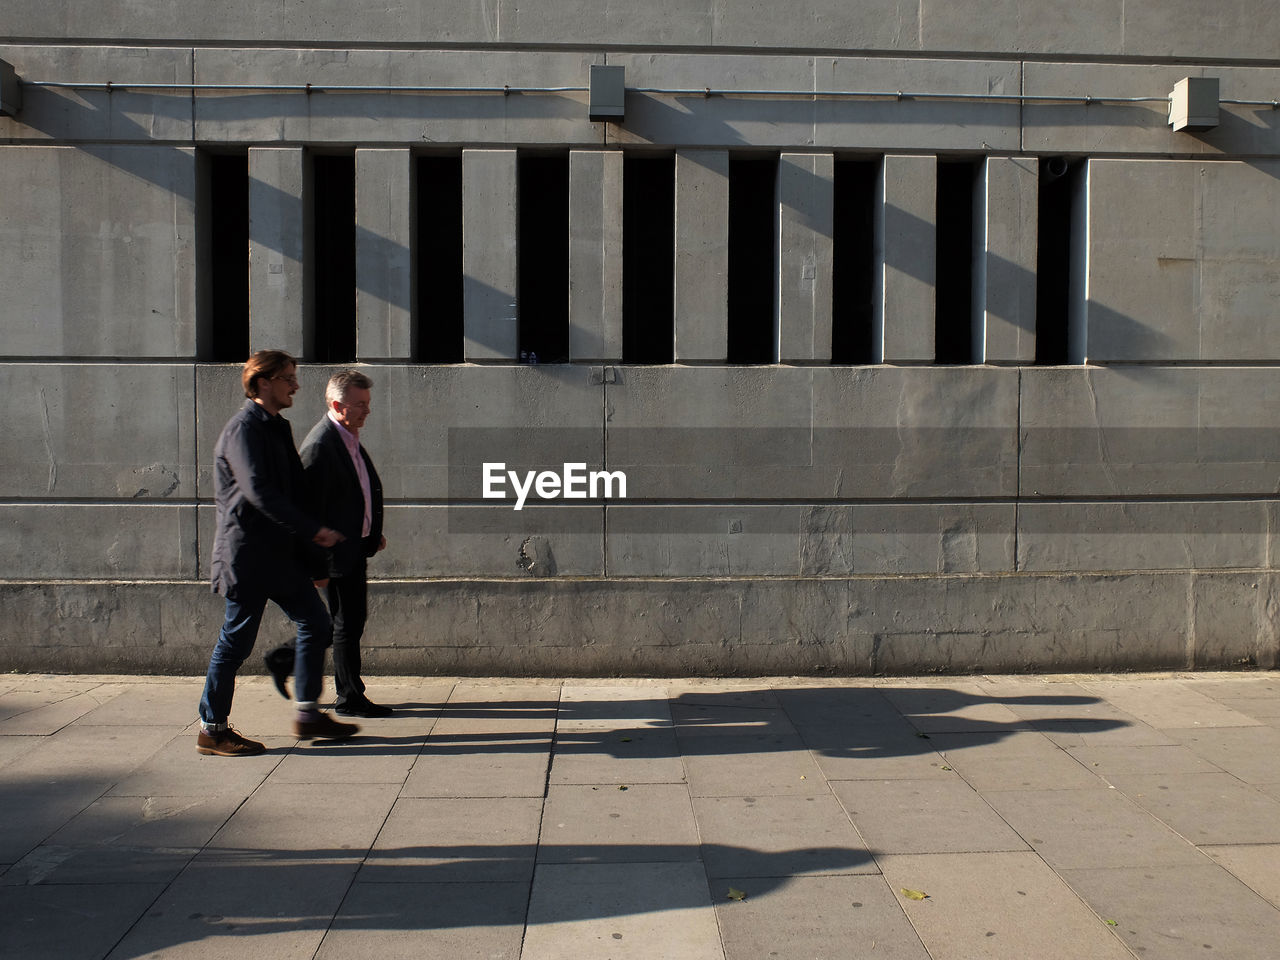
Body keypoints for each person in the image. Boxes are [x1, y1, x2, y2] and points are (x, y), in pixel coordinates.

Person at [196, 350, 360, 756]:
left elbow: (295, 490)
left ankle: (307, 713)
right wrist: (313, 530)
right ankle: (212, 728)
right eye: (287, 378)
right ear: (262, 382)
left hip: (279, 556)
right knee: (235, 644)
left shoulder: (276, 427)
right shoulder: (243, 430)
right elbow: (259, 492)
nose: (295, 385)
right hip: (249, 557)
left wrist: (318, 542)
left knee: (317, 623)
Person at [264, 369, 390, 717]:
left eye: (368, 403)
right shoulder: (320, 446)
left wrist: (369, 531)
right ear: (337, 404)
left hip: (352, 547)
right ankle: (348, 695)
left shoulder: (347, 438)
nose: (367, 410)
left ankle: (286, 658)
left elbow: (354, 494)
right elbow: (309, 511)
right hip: (334, 555)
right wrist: (316, 566)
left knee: (346, 621)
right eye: (360, 404)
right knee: (345, 623)